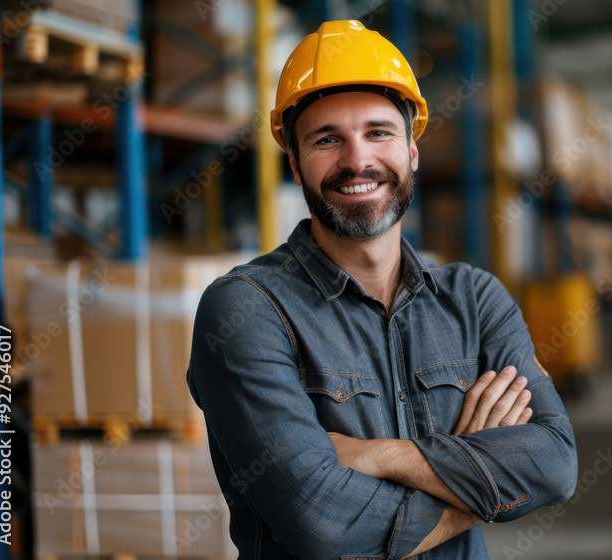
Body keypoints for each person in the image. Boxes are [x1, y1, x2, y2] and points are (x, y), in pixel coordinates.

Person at [187, 19, 578, 560]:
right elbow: (322, 525)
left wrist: (383, 457)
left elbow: (555, 463)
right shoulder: (247, 309)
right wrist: (483, 482)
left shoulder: (475, 299)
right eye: (328, 140)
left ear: (412, 151)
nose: (357, 161)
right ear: (296, 166)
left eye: (378, 132)